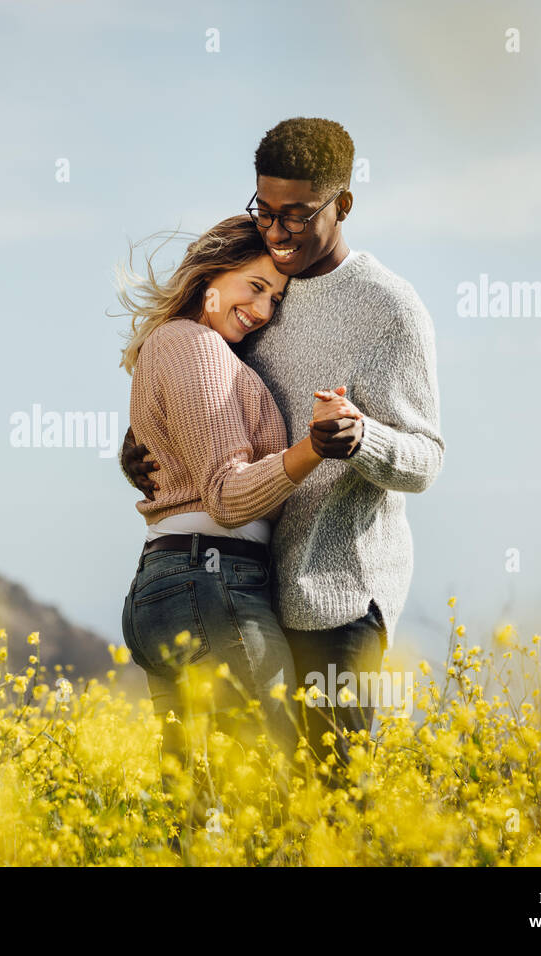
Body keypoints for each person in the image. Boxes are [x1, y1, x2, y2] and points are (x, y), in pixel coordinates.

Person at [121, 117, 444, 774]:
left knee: (329, 796)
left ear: (342, 205)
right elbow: (208, 398)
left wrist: (359, 439)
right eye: (263, 212)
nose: (276, 232)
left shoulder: (389, 308)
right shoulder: (260, 285)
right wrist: (138, 444)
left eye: (295, 215)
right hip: (246, 588)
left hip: (337, 597)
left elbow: (426, 458)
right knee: (243, 795)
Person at [117, 214, 360, 826]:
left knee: (195, 813)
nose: (262, 309)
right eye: (253, 286)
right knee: (276, 792)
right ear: (211, 279)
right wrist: (314, 446)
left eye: (274, 298)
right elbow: (226, 494)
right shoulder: (194, 346)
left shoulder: (180, 348)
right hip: (213, 584)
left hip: (173, 583)